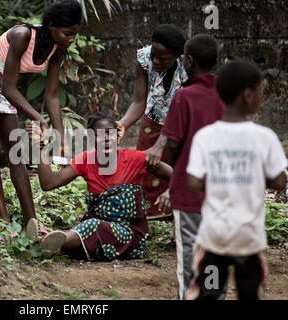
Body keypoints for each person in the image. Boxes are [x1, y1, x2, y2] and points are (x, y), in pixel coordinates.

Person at [0, 0, 83, 227]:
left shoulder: (57, 50)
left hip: (3, 86)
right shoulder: (22, 35)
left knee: (16, 153)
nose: (71, 39)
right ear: (52, 25)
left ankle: (31, 223)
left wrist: (61, 137)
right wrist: (37, 116)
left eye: (74, 34)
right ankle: (4, 223)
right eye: (67, 33)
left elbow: (52, 96)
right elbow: (9, 87)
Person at [184, 60, 288, 300]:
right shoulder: (265, 138)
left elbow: (193, 181)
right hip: (248, 239)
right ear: (248, 95)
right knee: (250, 293)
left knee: (207, 293)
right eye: (260, 92)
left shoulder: (205, 136)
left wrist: (223, 178)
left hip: (213, 237)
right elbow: (280, 181)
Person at [25, 112, 173, 260]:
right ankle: (49, 244)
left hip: (128, 237)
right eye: (99, 135)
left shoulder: (135, 159)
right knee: (90, 229)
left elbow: (175, 175)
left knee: (93, 226)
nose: (106, 139)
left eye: (110, 134)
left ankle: (45, 241)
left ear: (117, 136)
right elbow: (49, 183)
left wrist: (169, 192)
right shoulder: (85, 160)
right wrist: (40, 145)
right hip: (95, 236)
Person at [160, 34, 225, 300]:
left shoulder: (183, 96)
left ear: (189, 61)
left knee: (189, 249)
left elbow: (172, 143)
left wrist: (170, 167)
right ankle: (214, 295)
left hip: (189, 190)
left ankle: (189, 295)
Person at [117, 24, 187, 220]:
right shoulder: (144, 58)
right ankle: (146, 213)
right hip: (152, 122)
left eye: (162, 58)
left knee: (177, 166)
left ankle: (174, 211)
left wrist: (160, 145)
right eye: (154, 55)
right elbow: (139, 101)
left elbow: (180, 112)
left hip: (179, 126)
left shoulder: (187, 67)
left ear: (176, 56)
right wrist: (122, 124)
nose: (155, 60)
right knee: (145, 168)